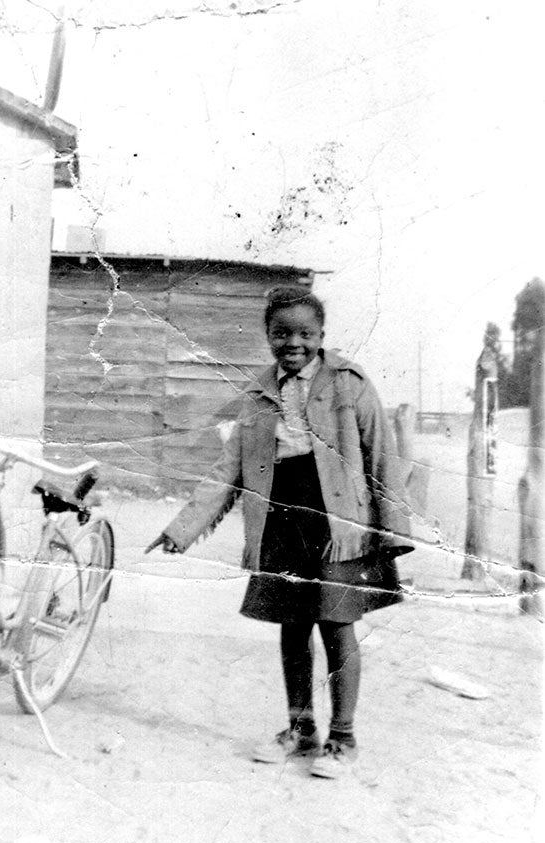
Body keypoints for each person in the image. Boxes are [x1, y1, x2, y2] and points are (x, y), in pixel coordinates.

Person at [146, 286, 413, 779]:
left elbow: (381, 458)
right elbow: (229, 469)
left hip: (339, 523)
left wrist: (390, 532)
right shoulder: (257, 396)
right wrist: (182, 529)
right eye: (281, 333)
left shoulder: (350, 384)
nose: (294, 343)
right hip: (281, 522)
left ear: (321, 336)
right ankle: (300, 728)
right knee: (293, 626)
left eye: (305, 333)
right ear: (268, 336)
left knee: (337, 626)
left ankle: (343, 737)